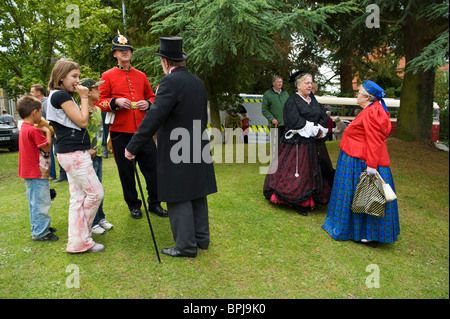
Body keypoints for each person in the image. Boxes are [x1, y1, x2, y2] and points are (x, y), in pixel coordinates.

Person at [125, 36, 217, 258]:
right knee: (197, 191)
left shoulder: (169, 82)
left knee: (178, 194)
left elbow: (154, 117)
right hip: (197, 141)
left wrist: (132, 147)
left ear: (165, 62)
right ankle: (201, 239)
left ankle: (185, 246)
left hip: (178, 145)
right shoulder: (197, 81)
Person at [96, 33, 167, 219]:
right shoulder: (107, 76)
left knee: (152, 169)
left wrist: (148, 104)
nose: (125, 53)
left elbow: (152, 96)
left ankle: (155, 202)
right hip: (120, 132)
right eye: (120, 50)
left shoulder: (141, 76)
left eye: (127, 50)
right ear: (115, 55)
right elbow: (99, 102)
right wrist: (115, 101)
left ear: (131, 53)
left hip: (143, 132)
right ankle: (133, 205)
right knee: (126, 172)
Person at [322, 80, 400, 248]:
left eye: (359, 93)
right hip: (355, 157)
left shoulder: (373, 112)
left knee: (367, 196)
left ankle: (369, 236)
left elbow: (375, 140)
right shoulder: (372, 109)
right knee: (360, 196)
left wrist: (372, 166)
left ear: (367, 97)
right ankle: (360, 232)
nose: (356, 95)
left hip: (361, 161)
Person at [46, 59, 105, 253]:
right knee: (96, 193)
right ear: (61, 77)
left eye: (78, 76)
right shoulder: (60, 95)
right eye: (74, 76)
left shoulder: (59, 95)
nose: (77, 80)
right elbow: (81, 122)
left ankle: (76, 242)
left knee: (78, 197)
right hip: (73, 153)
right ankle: (81, 238)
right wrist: (85, 98)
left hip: (71, 152)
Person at [263, 72, 334, 216]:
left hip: (314, 144)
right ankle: (297, 200)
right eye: (307, 83)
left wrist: (320, 129)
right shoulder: (292, 101)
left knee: (313, 171)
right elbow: (294, 120)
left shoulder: (313, 101)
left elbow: (323, 117)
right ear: (298, 85)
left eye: (311, 82)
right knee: (299, 171)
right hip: (297, 143)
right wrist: (312, 130)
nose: (310, 85)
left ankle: (311, 198)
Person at [17, 96, 59, 241]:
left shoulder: (25, 127)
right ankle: (40, 232)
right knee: (41, 203)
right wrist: (48, 132)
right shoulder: (33, 131)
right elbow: (47, 147)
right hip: (36, 172)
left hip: (32, 172)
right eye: (41, 112)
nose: (42, 115)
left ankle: (41, 226)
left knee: (36, 201)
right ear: (35, 112)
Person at [81, 78, 114, 235]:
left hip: (98, 153)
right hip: (89, 155)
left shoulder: (97, 109)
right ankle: (92, 222)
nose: (100, 91)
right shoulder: (83, 110)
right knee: (92, 190)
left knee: (99, 187)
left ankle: (100, 217)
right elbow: (80, 130)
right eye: (96, 89)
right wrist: (88, 148)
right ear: (88, 91)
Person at [30, 84, 58, 180]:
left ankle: (53, 174)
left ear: (38, 92)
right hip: (44, 132)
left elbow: (50, 118)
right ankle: (51, 173)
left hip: (50, 132)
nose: (31, 94)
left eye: (32, 92)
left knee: (54, 152)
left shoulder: (45, 103)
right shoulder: (38, 103)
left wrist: (52, 131)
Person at [261, 75, 289, 146]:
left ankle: (284, 157)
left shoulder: (285, 94)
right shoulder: (267, 94)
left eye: (281, 82)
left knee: (286, 145)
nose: (280, 84)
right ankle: (275, 157)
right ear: (273, 83)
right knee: (275, 145)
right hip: (275, 124)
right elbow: (264, 110)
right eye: (278, 82)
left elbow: (290, 107)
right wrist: (272, 119)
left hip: (286, 124)